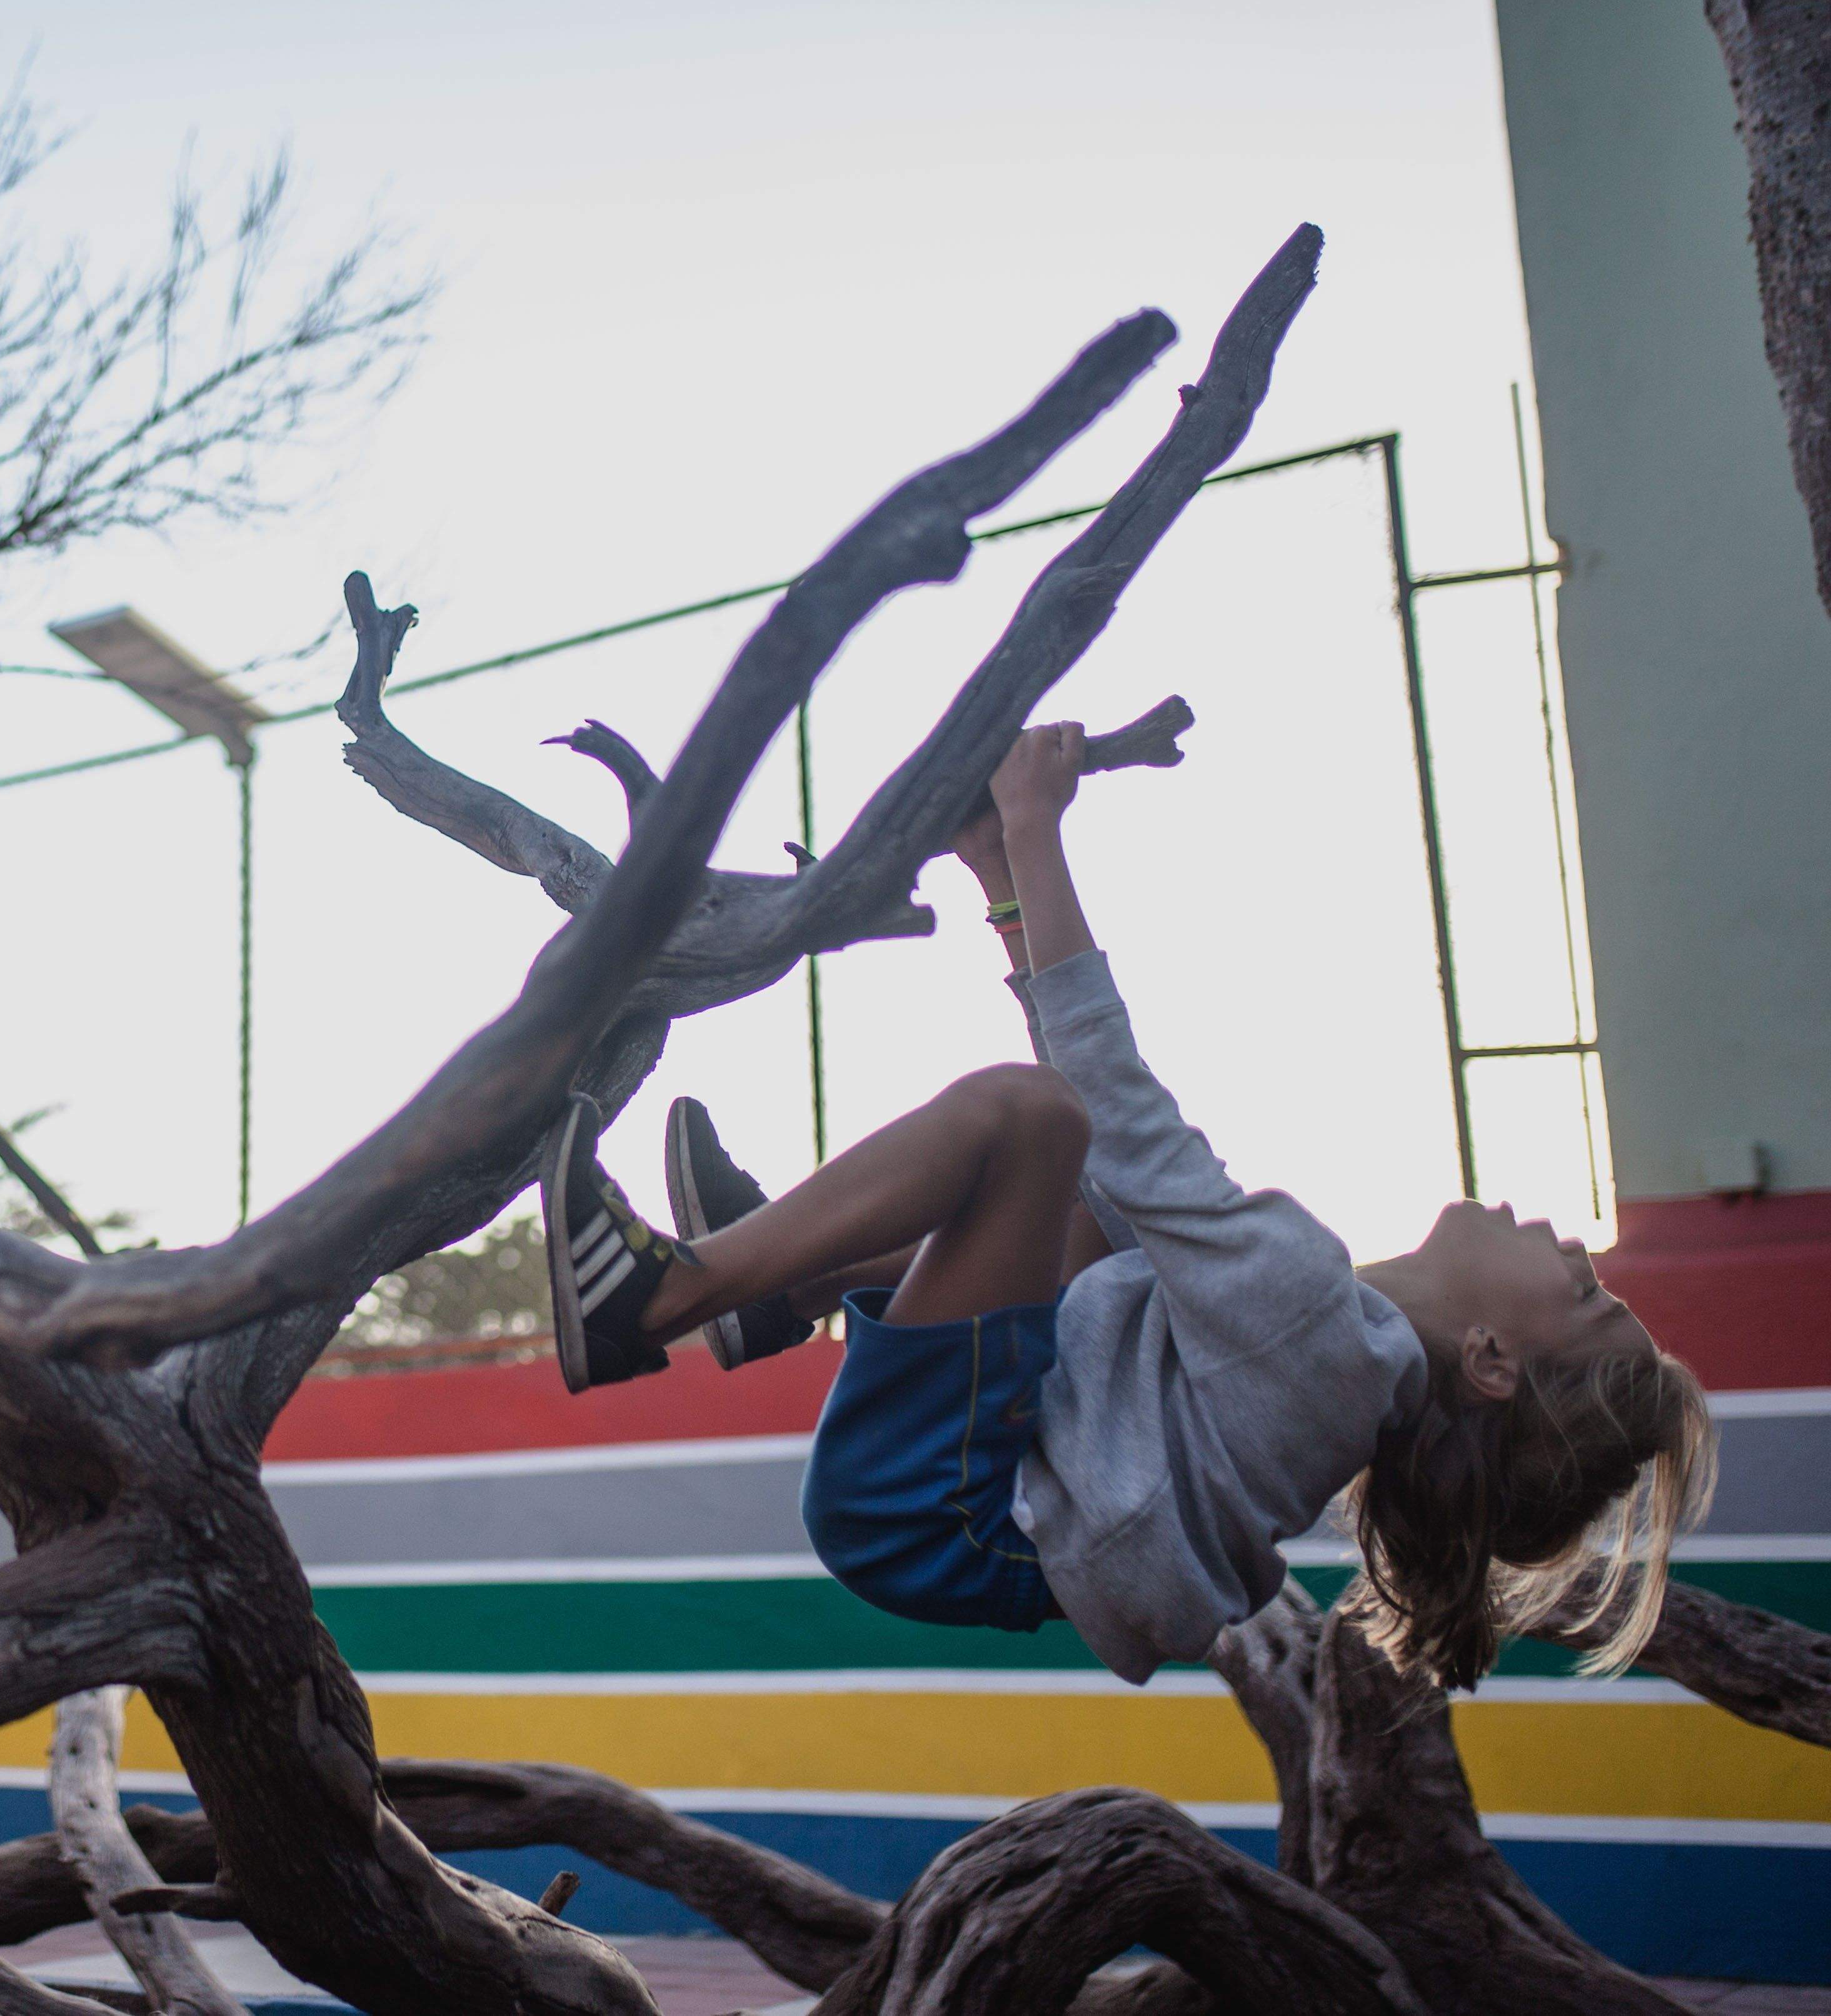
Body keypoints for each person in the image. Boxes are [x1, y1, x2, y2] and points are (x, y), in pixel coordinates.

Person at [541, 721, 1717, 1688]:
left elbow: (1106, 1097)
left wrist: (1036, 832)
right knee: (1087, 1206)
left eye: (1579, 1287)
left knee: (1026, 1121)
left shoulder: (1311, 1324)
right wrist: (999, 872)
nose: (1570, 1244)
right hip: (978, 1501)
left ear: (1494, 1358)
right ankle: (779, 1295)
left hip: (939, 1514)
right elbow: (1113, 1171)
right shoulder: (1329, 1354)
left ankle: (656, 1301)